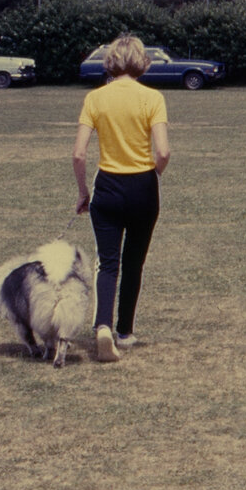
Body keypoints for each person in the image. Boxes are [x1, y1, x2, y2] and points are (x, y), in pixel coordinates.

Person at [73, 34, 171, 361]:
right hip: (143, 187)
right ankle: (124, 331)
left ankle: (102, 325)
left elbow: (78, 154)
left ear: (111, 61)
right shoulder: (153, 97)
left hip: (108, 188)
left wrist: (84, 192)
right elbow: (163, 151)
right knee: (133, 263)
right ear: (141, 61)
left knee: (108, 262)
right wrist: (153, 173)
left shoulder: (95, 98)